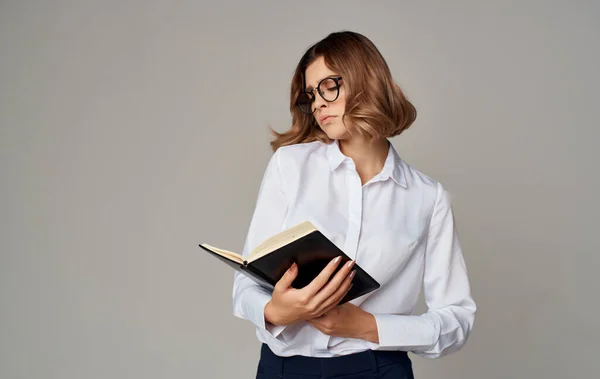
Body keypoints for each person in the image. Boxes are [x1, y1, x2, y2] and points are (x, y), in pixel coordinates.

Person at [232, 30, 476, 379]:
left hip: (377, 368)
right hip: (283, 368)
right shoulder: (290, 166)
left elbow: (457, 319)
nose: (317, 103)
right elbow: (245, 285)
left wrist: (367, 326)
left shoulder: (426, 197)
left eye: (328, 86)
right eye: (310, 95)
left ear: (366, 79)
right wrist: (274, 310)